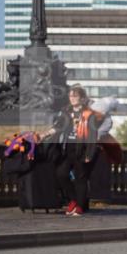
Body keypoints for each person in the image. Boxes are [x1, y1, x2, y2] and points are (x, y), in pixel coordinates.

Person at [42, 85, 101, 217]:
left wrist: (89, 154)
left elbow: (93, 135)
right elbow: (58, 127)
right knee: (61, 173)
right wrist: (43, 135)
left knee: (81, 178)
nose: (72, 98)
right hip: (68, 148)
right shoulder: (66, 112)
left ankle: (79, 207)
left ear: (82, 98)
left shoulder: (89, 115)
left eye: (75, 96)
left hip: (83, 149)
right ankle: (73, 201)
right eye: (70, 96)